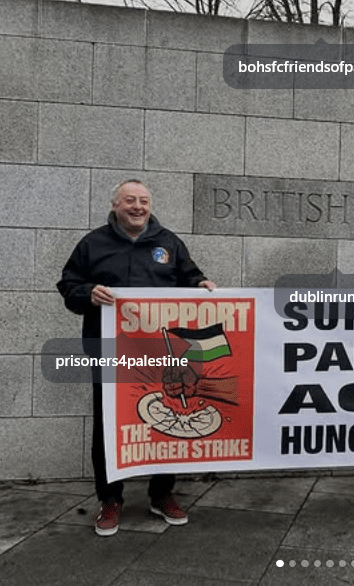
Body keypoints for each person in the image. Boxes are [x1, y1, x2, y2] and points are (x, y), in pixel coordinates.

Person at [57, 180, 217, 536]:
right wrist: (87, 292)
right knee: (109, 426)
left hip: (162, 352)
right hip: (110, 352)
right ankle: (110, 499)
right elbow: (68, 286)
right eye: (129, 200)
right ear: (115, 205)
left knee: (168, 419)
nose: (137, 206)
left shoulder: (169, 243)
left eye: (143, 201)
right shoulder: (92, 244)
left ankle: (162, 494)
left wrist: (201, 285)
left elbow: (189, 277)